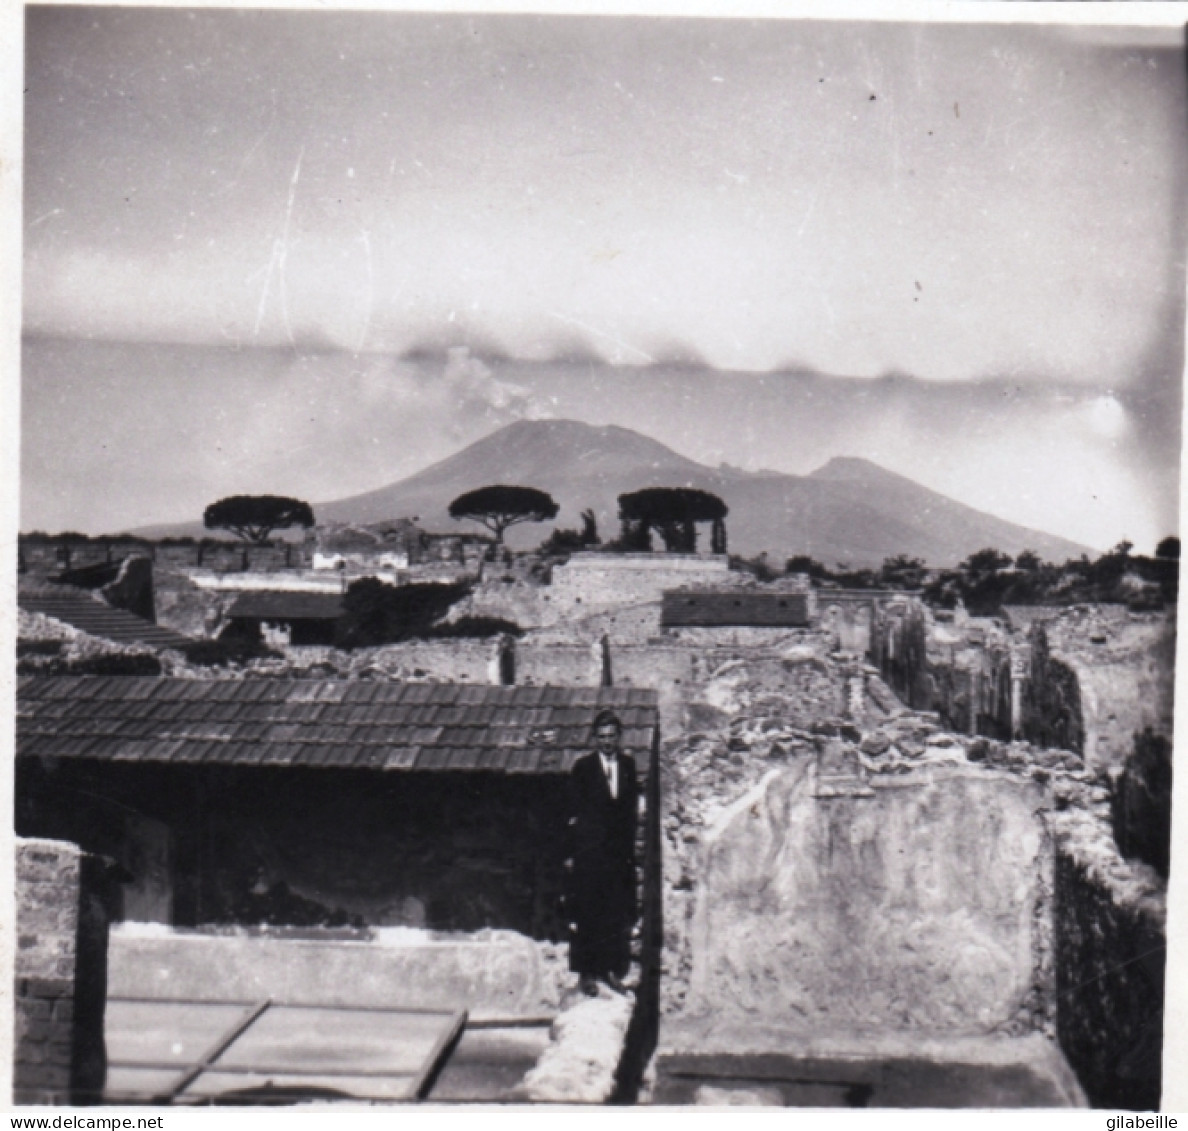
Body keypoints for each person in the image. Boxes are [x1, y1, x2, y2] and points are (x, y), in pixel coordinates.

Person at [565, 708, 640, 996]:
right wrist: (574, 853)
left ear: (619, 737)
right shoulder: (583, 769)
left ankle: (609, 971)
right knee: (587, 913)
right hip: (590, 855)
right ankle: (586, 973)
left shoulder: (628, 766)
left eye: (612, 736)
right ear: (594, 739)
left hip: (617, 856)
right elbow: (573, 813)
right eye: (602, 737)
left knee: (614, 914)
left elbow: (630, 811)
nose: (607, 742)